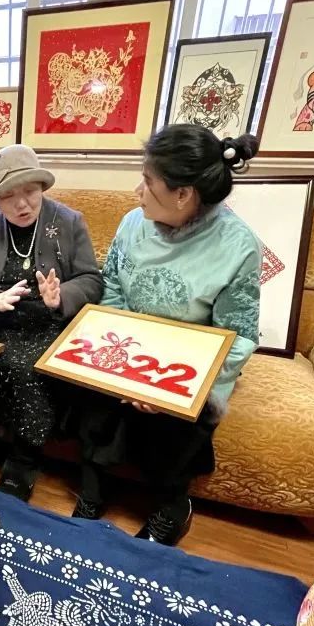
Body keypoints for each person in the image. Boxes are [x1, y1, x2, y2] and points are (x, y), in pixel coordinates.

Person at [73, 124, 262, 546]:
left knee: (170, 424)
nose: (137, 191)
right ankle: (93, 491)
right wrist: (123, 368)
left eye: (148, 180)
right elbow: (112, 291)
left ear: (183, 194)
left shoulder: (239, 246)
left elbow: (237, 335)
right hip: (129, 347)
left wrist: (165, 386)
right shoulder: (132, 224)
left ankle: (173, 507)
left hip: (189, 363)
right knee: (93, 398)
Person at [0, 144, 103, 498]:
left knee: (25, 368)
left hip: (47, 322)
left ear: (41, 187)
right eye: (9, 196)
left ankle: (24, 460)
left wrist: (61, 297)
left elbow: (92, 279)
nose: (22, 204)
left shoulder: (69, 221)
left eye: (30, 191)